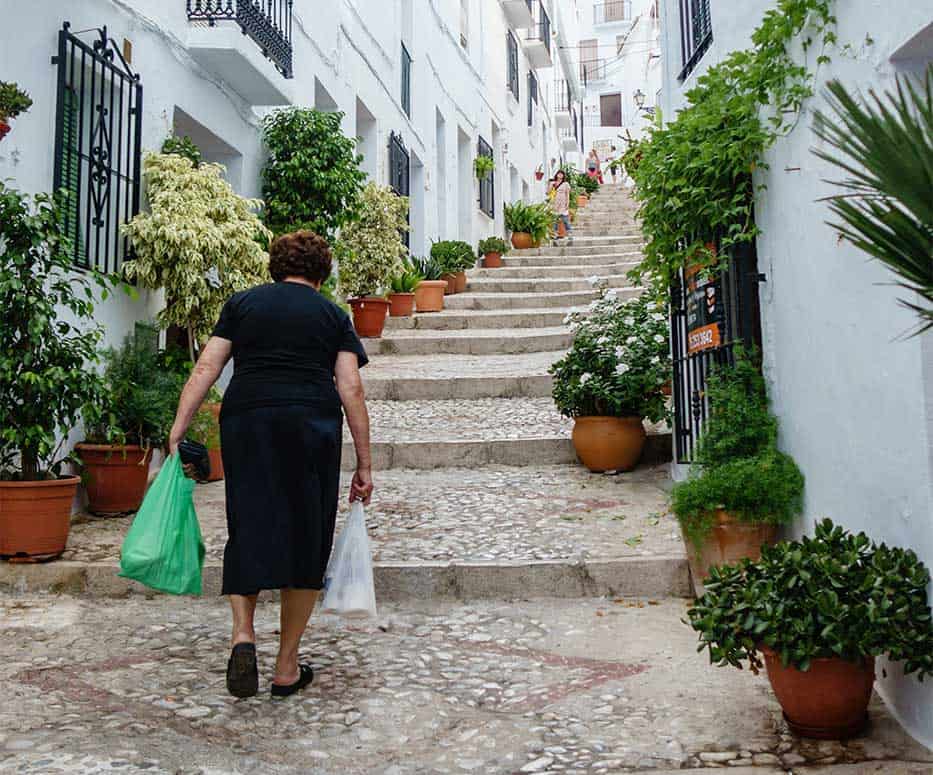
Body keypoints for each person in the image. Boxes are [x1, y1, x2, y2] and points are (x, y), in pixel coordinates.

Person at [167, 230, 373, 700]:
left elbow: (207, 367)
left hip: (248, 422)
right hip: (310, 426)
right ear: (322, 272)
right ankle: (285, 667)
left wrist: (179, 427)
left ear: (275, 266)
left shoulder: (242, 305)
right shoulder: (333, 316)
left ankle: (243, 634)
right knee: (307, 533)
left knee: (249, 522)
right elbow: (351, 389)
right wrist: (364, 464)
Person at [549, 169, 572, 241]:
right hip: (554, 204)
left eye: (562, 174)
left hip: (563, 204)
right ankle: (555, 235)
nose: (560, 175)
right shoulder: (553, 183)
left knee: (565, 220)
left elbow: (567, 194)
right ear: (556, 174)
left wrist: (567, 204)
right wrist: (550, 185)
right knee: (554, 221)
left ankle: (569, 234)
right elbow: (548, 192)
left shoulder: (566, 184)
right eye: (559, 174)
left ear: (563, 176)